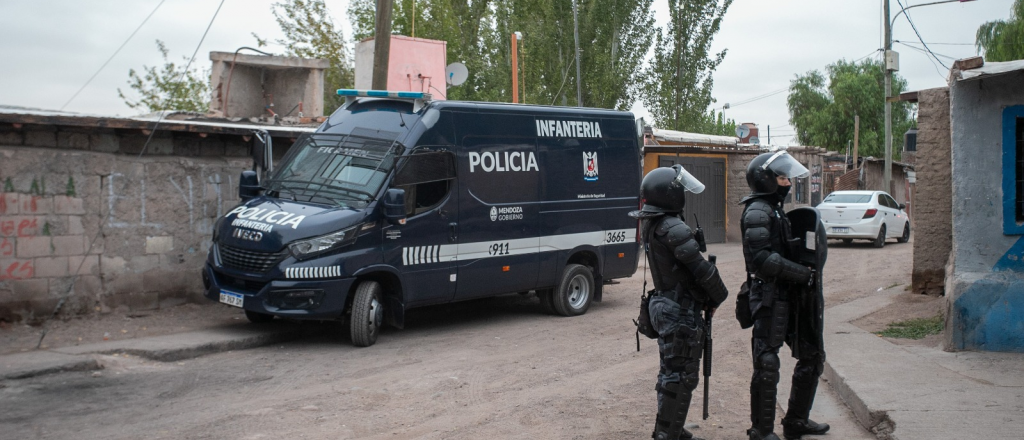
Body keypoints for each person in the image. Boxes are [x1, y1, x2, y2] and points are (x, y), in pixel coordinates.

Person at [629, 165, 728, 440]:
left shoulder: (653, 224)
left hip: (665, 304)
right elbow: (700, 269)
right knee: (681, 377)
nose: (683, 192)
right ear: (669, 194)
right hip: (678, 310)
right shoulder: (673, 227)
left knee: (669, 373)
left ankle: (669, 427)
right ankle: (667, 434)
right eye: (679, 188)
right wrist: (719, 294)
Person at [739, 151, 829, 440]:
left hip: (790, 294)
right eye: (782, 177)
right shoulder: (757, 211)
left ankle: (796, 420)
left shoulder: (773, 209)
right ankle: (762, 431)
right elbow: (764, 259)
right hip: (769, 296)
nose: (788, 182)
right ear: (765, 180)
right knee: (766, 362)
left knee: (813, 355)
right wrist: (802, 274)